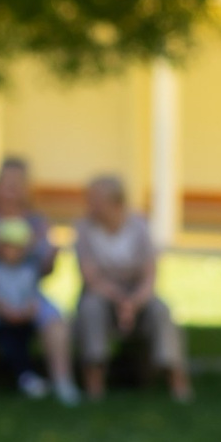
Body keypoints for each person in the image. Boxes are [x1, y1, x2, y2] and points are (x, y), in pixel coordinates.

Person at [0, 157, 75, 406]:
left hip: (27, 292)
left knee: (55, 320)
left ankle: (64, 383)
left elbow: (46, 269)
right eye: (6, 183)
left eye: (17, 184)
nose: (11, 190)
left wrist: (46, 251)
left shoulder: (37, 222)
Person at [72, 172, 192, 402]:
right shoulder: (84, 229)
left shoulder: (139, 226)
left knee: (161, 310)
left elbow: (150, 275)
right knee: (91, 309)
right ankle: (94, 384)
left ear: (115, 203)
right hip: (102, 294)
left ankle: (177, 381)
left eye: (95, 200)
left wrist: (134, 301)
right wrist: (121, 301)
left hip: (137, 295)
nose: (90, 205)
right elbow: (91, 278)